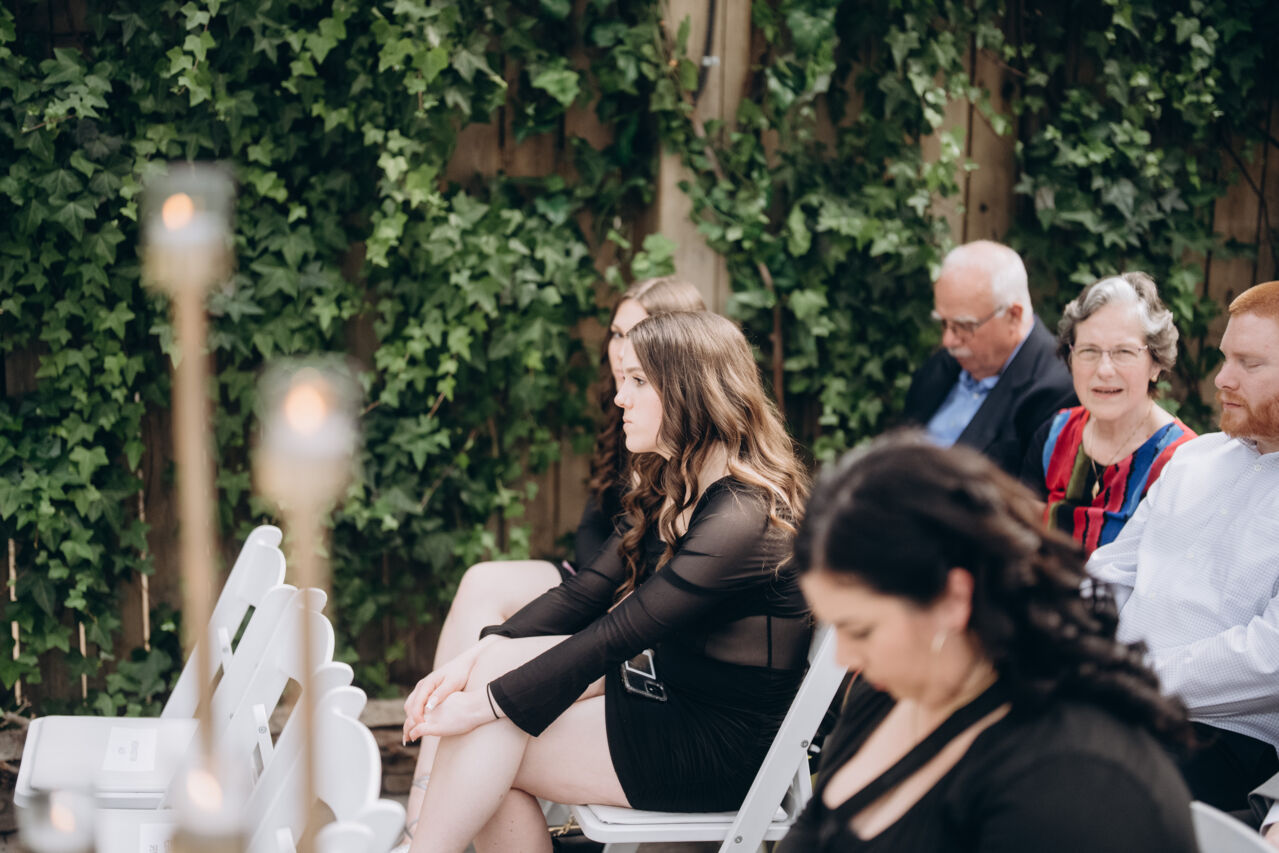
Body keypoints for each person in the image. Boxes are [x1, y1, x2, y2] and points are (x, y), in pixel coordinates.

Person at [400, 311, 812, 853]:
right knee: (489, 723)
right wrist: (474, 661)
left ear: (690, 391)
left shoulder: (742, 516)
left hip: (716, 744)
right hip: (664, 698)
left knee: (487, 736)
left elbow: (618, 634)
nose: (620, 398)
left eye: (639, 381)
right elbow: (585, 593)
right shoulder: (683, 484)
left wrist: (485, 703)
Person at [778, 434, 1196, 853]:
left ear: (953, 598)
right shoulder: (888, 693)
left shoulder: (1073, 782)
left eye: (862, 630)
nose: (845, 657)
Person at [397, 276, 705, 843]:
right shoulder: (640, 432)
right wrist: (482, 656)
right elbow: (596, 536)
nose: (621, 352)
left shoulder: (726, 506)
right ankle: (422, 813)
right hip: (611, 589)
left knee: (489, 713)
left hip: (653, 657)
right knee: (484, 607)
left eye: (636, 337)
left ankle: (425, 830)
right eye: (616, 334)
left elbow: (632, 618)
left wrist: (485, 687)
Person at [1088, 279, 1279, 814]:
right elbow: (1110, 574)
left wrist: (1132, 678)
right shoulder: (1195, 459)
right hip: (1106, 697)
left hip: (1217, 735)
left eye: (1249, 364)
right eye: (1225, 358)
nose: (1223, 379)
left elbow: (1268, 659)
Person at [1021, 272, 1195, 553]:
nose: (1103, 370)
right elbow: (1021, 541)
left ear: (1155, 363)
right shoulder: (1055, 435)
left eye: (1124, 352)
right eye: (1089, 350)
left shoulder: (1180, 462)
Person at [902, 240, 1075, 476]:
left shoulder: (1058, 390)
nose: (948, 340)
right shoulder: (944, 365)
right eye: (943, 323)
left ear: (1013, 315)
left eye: (964, 326)